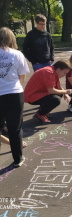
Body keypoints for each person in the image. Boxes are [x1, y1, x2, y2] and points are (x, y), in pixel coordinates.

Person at [0, 27, 29, 168]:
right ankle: (18, 159)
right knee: (15, 127)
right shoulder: (17, 54)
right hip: (14, 93)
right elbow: (22, 76)